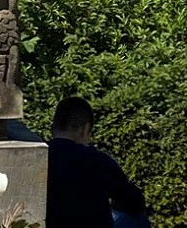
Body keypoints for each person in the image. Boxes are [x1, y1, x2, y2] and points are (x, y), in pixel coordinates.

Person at [47, 97, 148, 227]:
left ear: (52, 127)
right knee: (135, 218)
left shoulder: (39, 157)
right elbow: (135, 202)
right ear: (86, 129)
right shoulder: (96, 160)